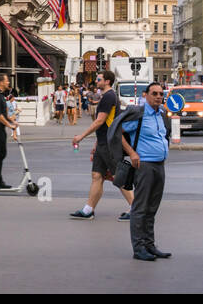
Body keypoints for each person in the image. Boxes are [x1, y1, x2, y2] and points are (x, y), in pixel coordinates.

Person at [112, 82, 172, 261]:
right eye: (154, 93)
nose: (158, 97)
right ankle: (139, 249)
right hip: (144, 165)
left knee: (152, 208)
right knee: (140, 208)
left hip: (160, 165)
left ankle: (150, 245)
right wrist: (132, 153)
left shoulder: (161, 114)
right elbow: (117, 132)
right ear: (145, 95)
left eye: (161, 94)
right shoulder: (138, 114)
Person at [69, 69, 134, 221]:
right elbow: (106, 124)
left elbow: (100, 121)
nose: (96, 82)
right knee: (97, 176)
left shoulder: (108, 97)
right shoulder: (108, 96)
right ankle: (88, 210)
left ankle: (135, 208)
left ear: (107, 81)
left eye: (99, 79)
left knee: (118, 177)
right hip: (103, 142)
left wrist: (81, 136)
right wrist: (97, 143)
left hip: (110, 143)